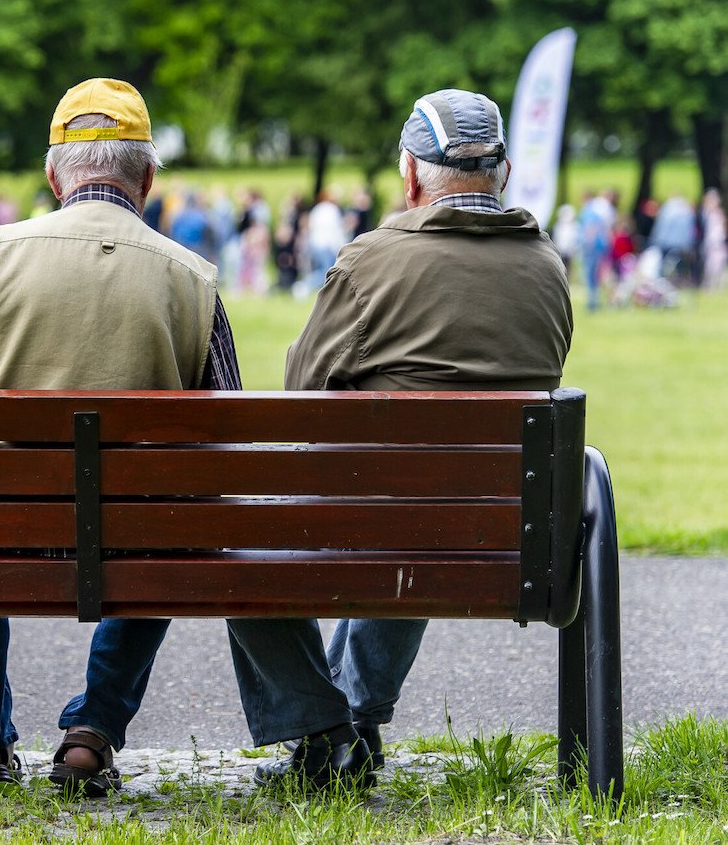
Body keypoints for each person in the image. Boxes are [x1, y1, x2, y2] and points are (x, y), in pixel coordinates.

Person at [0, 77, 243, 798]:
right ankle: (92, 730)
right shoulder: (193, 277)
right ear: (148, 178)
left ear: (51, 173)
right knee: (171, 526)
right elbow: (226, 436)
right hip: (132, 538)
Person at [244, 88, 572, 787]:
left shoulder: (372, 260)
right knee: (428, 499)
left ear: (412, 173)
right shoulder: (548, 266)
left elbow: (300, 394)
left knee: (246, 548)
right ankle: (354, 719)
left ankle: (326, 729)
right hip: (506, 531)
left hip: (385, 520)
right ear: (503, 172)